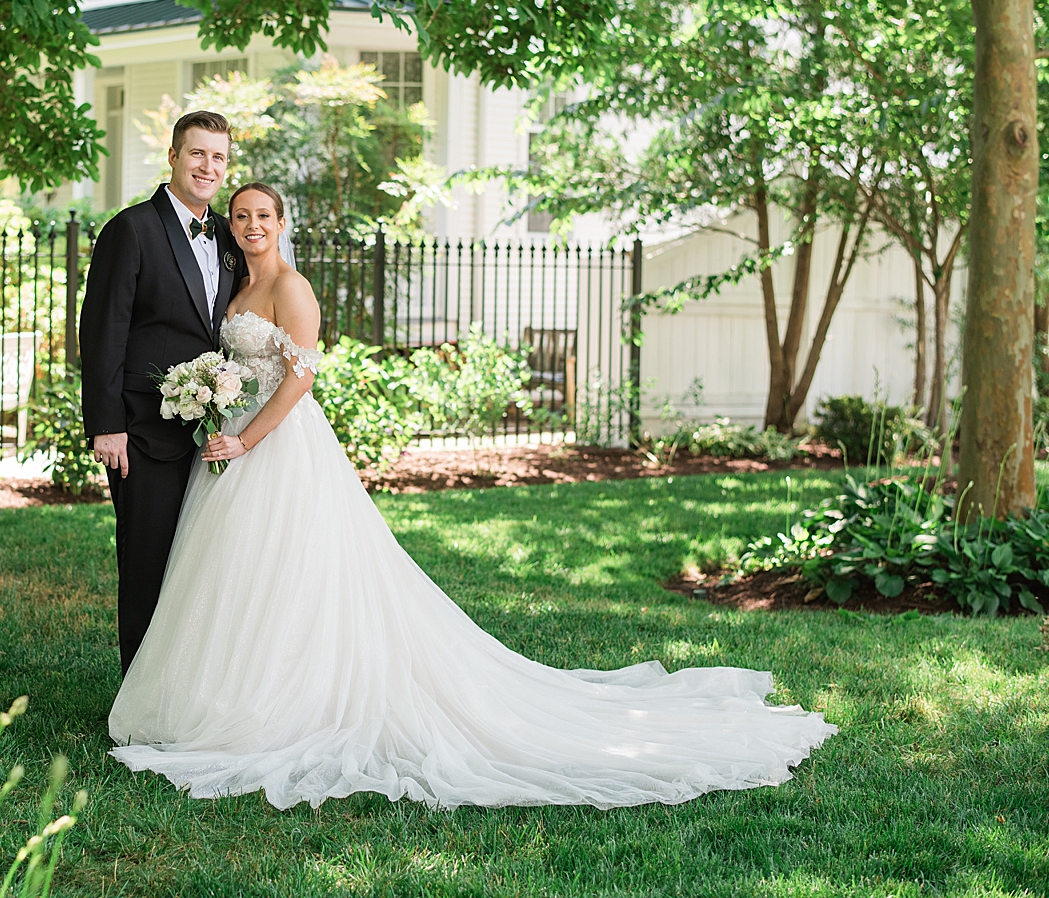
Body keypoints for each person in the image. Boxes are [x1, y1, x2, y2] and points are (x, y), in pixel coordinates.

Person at [107, 182, 837, 811]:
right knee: (237, 577)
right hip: (230, 441)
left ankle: (284, 701)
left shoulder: (291, 287)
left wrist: (247, 438)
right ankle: (227, 694)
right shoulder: (236, 284)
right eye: (242, 216)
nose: (252, 225)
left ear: (283, 223)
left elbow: (300, 380)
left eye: (263, 215)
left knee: (295, 570)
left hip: (274, 444)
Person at [79, 110, 248, 675]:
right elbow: (103, 330)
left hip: (208, 434)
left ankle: (186, 688)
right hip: (142, 431)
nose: (208, 166)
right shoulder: (131, 230)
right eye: (197, 153)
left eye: (218, 157)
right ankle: (138, 697)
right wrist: (106, 425)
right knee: (147, 563)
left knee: (199, 569)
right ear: (173, 156)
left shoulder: (229, 236)